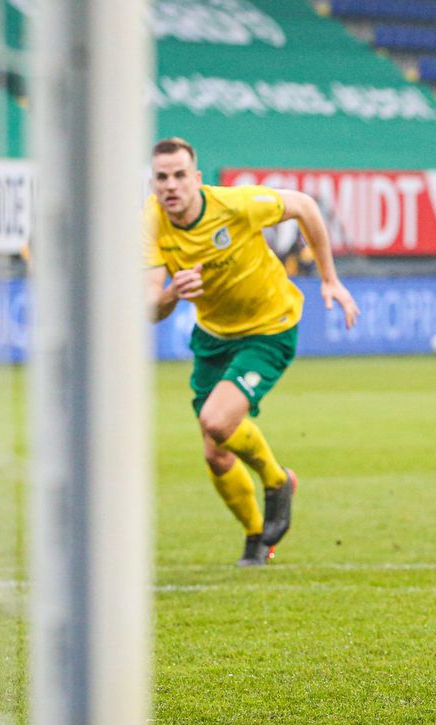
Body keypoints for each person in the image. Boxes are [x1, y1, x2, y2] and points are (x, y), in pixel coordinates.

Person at [144, 138, 359, 566]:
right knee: (215, 452)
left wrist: (329, 278)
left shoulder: (236, 204)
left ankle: (278, 481)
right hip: (213, 336)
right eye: (162, 177)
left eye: (180, 175)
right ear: (153, 182)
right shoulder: (149, 223)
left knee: (216, 421)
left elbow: (305, 207)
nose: (171, 186)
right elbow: (151, 309)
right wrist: (171, 292)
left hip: (269, 328)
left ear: (197, 179)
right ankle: (257, 538)